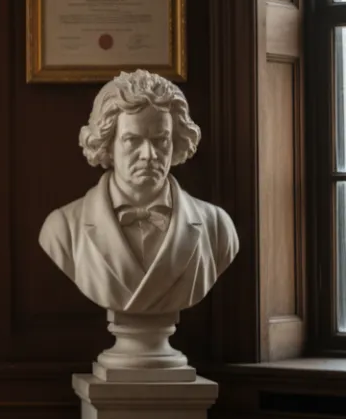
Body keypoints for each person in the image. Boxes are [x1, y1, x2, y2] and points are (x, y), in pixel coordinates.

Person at [38, 69, 238, 314]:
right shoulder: (62, 230)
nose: (149, 155)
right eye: (132, 140)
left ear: (176, 141)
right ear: (107, 144)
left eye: (161, 140)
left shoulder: (217, 228)